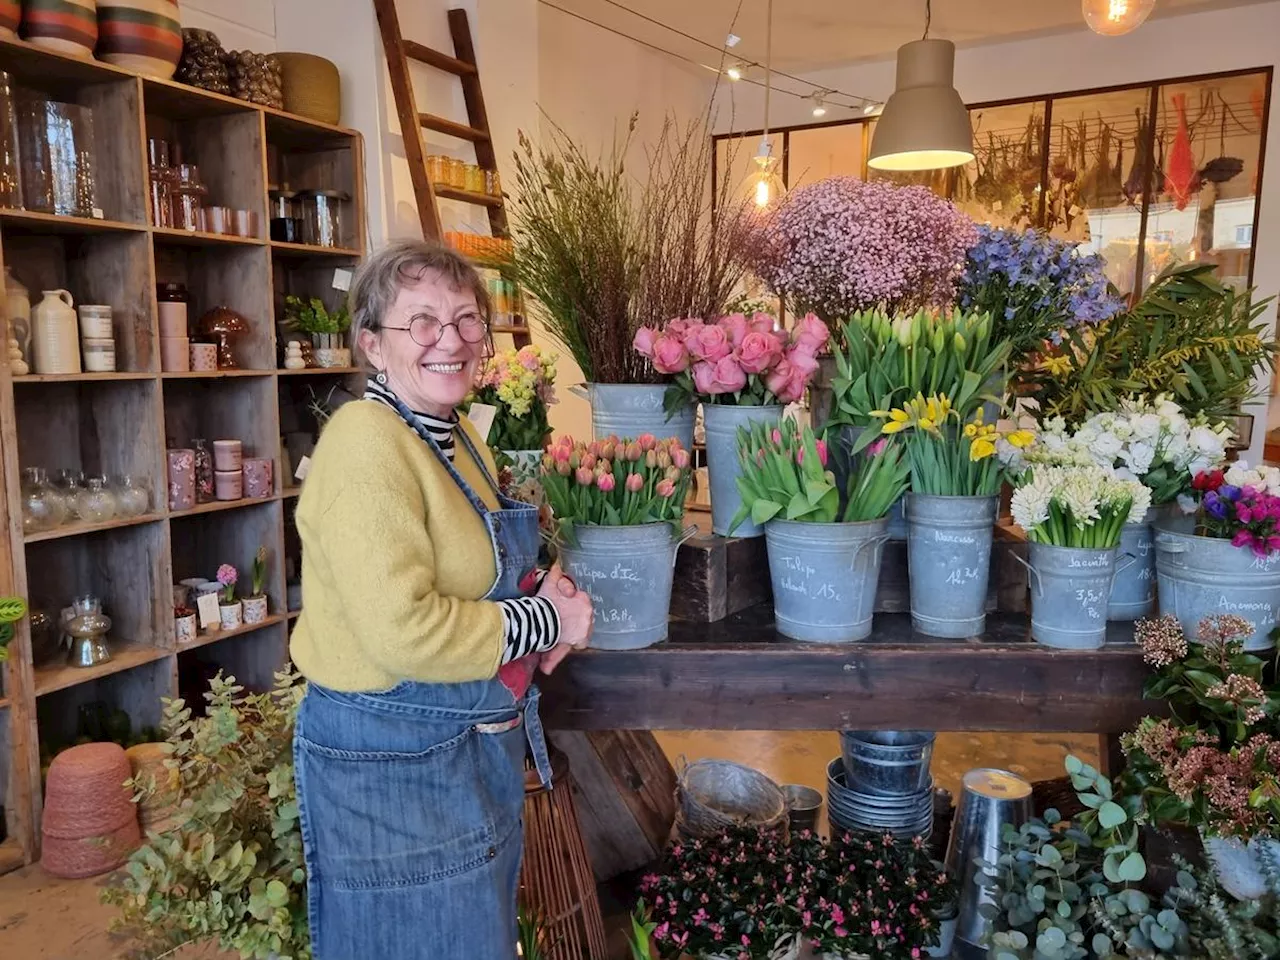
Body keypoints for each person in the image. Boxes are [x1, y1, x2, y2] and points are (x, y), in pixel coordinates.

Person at [289, 240, 594, 959]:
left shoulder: (455, 438)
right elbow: (406, 631)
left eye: (465, 320)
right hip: (391, 764)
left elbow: (471, 571)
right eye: (421, 322)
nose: (450, 340)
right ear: (372, 343)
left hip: (455, 751)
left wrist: (540, 589)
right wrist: (547, 619)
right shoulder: (367, 441)